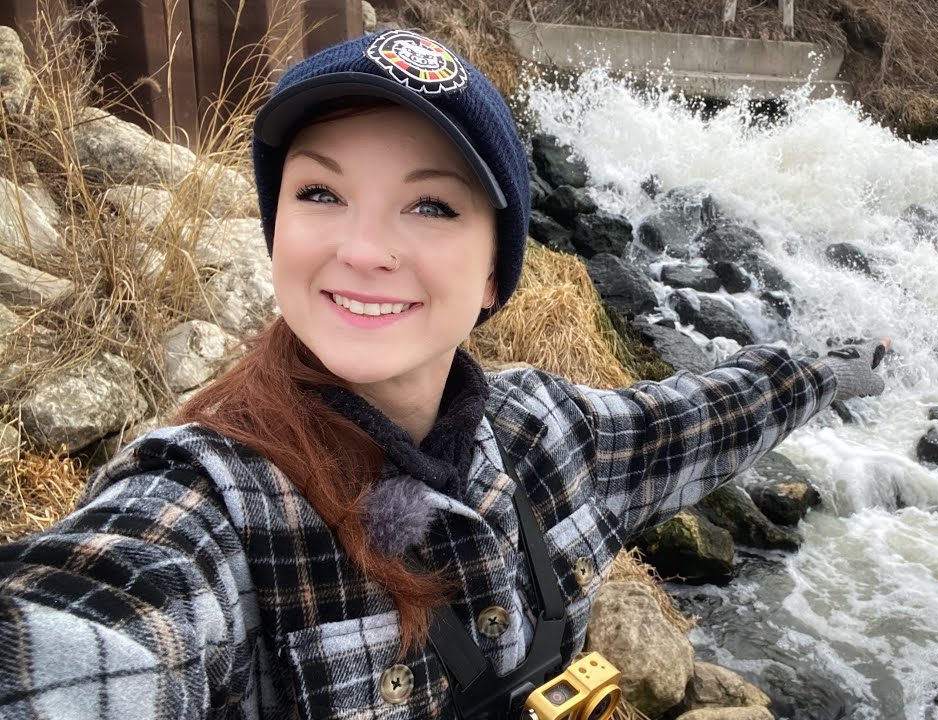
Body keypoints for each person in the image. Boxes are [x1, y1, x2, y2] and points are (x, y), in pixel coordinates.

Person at [0, 29, 888, 719]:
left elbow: (700, 418)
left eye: (429, 205)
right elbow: (91, 634)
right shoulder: (210, 502)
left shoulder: (546, 433)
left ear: (496, 273)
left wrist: (824, 369)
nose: (362, 249)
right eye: (319, 193)